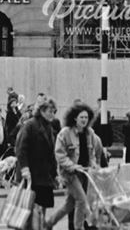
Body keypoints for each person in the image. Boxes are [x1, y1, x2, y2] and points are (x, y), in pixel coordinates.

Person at [48, 102, 103, 230]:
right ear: (74, 118)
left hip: (84, 173)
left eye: (86, 117)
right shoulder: (65, 133)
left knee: (69, 204)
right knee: (82, 201)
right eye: (81, 117)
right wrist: (73, 166)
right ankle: (78, 228)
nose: (84, 120)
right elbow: (60, 154)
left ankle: (49, 223)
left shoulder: (90, 133)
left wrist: (94, 165)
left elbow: (92, 154)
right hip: (70, 174)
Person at [15, 96, 58, 227]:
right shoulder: (31, 124)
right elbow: (22, 148)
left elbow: (51, 154)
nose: (52, 114)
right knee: (30, 208)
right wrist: (24, 169)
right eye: (50, 111)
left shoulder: (50, 127)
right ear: (42, 111)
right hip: (32, 174)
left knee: (42, 207)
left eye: (54, 111)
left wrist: (55, 174)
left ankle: (38, 226)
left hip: (45, 175)